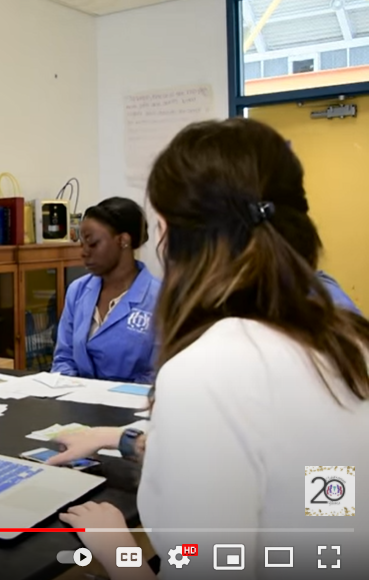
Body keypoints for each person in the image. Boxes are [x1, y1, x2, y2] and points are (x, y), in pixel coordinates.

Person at [54, 118, 369, 579]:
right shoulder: (348, 339)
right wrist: (119, 438)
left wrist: (117, 549)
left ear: (180, 237)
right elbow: (275, 465)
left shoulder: (208, 369)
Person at [51, 197, 160, 384]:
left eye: (93, 244)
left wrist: (109, 400)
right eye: (81, 244)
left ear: (123, 241)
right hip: (78, 406)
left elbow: (158, 373)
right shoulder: (77, 291)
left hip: (133, 407)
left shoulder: (160, 298)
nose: (84, 252)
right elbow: (64, 359)